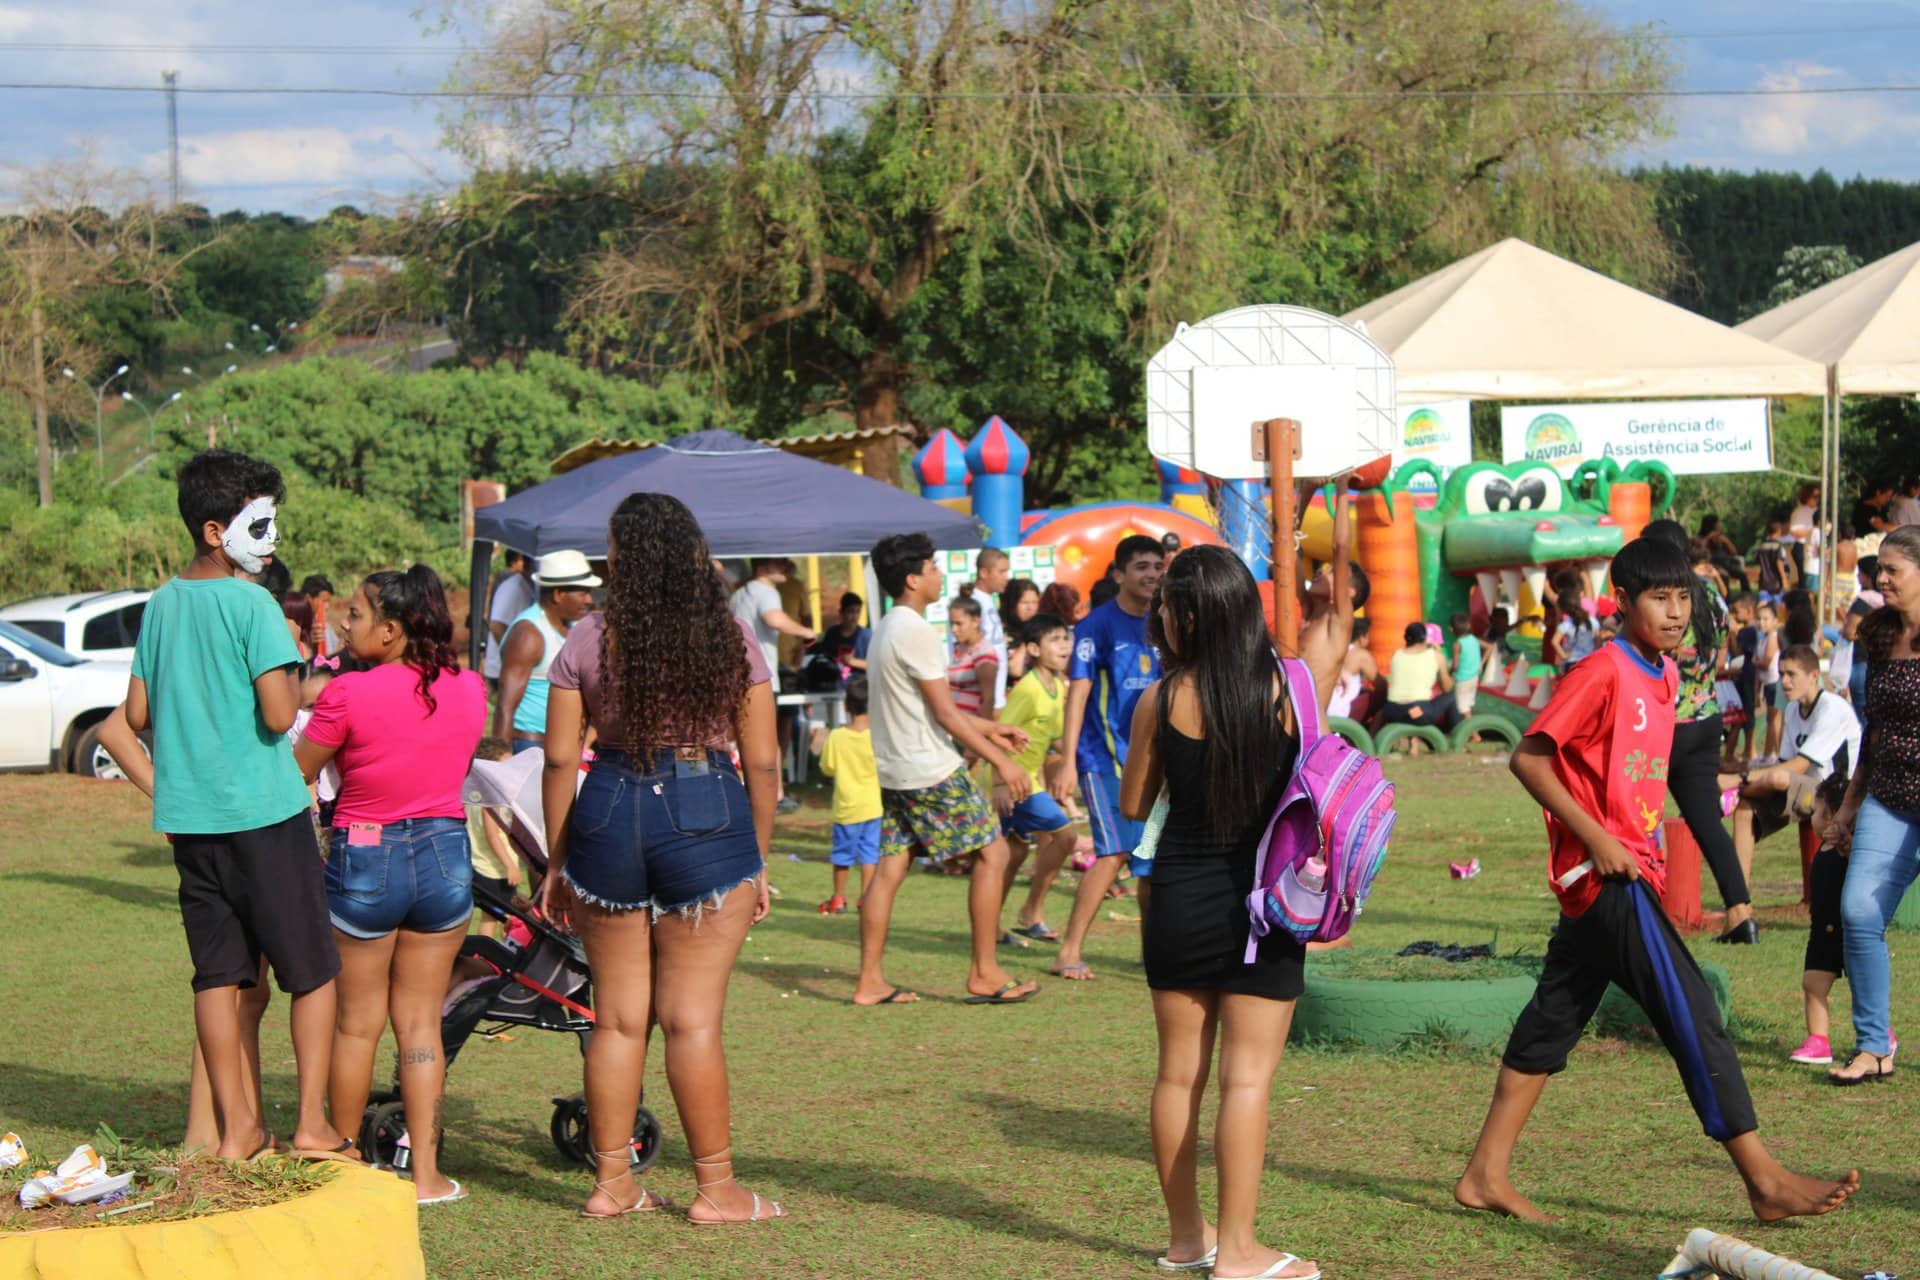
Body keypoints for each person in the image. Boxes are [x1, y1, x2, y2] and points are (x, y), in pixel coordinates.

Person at [1454, 535, 1858, 1225]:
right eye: (1659, 598)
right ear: (1623, 601)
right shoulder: (1602, 671)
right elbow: (1529, 759)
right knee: (1693, 1012)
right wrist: (1597, 837)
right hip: (1606, 875)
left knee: (1553, 1019)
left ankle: (1484, 1174)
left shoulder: (1666, 676)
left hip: (1620, 871)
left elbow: (1637, 769)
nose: (1675, 612)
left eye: (1683, 599)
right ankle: (1764, 1181)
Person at [538, 492, 782, 1221]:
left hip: (608, 807)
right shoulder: (730, 638)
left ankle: (613, 1183)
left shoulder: (587, 638)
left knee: (616, 1020)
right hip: (708, 809)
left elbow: (560, 760)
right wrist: (757, 858)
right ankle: (717, 1190)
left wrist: (556, 862)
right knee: (692, 1021)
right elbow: (763, 763)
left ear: (623, 558)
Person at [1119, 537, 1354, 1280]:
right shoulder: (1293, 687)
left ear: (1186, 618)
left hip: (1179, 901)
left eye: (1167, 608)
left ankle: (1188, 1239)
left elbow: (1134, 805)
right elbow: (1320, 779)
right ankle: (1242, 1251)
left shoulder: (1160, 699)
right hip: (1269, 906)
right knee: (1246, 1081)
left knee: (1176, 1077)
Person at [123, 448, 346, 1162]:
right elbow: (280, 716)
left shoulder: (161, 604)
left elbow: (136, 712)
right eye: (261, 524)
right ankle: (311, 1124)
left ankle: (237, 1128)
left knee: (218, 975)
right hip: (266, 816)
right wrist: (289, 669)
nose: (272, 539)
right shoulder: (255, 605)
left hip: (191, 823)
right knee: (313, 972)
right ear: (216, 531)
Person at [293, 566, 486, 1203]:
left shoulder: (347, 693)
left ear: (392, 629)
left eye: (356, 614)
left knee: (357, 1025)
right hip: (445, 855)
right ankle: (426, 1173)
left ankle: (346, 1160)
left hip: (366, 854)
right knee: (421, 1024)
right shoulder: (470, 688)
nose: (344, 624)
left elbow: (300, 771)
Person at [855, 531, 1038, 1007]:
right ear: (913, 579)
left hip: (896, 769)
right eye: (933, 567)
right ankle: (984, 972)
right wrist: (1002, 761)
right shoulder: (915, 630)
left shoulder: (886, 628)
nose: (940, 575)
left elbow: (931, 708)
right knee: (993, 853)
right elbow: (944, 714)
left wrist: (993, 730)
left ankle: (870, 981)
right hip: (928, 769)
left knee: (889, 869)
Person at [1826, 525, 1920, 1084]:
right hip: (1890, 798)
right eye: (1878, 569)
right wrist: (1849, 807)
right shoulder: (1879, 635)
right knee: (1859, 912)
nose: (1880, 579)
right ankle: (1873, 1046)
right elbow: (1874, 730)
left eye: (1892, 570)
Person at [1050, 535, 1167, 982]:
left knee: (1151, 859)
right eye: (1141, 566)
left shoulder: (1165, 622)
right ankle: (1068, 951)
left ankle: (1152, 953)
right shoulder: (1095, 627)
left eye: (1157, 566)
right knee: (1114, 852)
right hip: (1105, 760)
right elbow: (1077, 695)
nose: (1151, 574)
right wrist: (1067, 761)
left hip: (1156, 759)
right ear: (1119, 574)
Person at [1640, 521, 1754, 944]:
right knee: (1707, 823)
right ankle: (1741, 915)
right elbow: (1721, 655)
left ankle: (1637, 913)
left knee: (1634, 816)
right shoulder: (1708, 594)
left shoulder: (1659, 599)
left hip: (1664, 724)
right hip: (1707, 719)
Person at [1719, 645, 1859, 913]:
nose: (1784, 681)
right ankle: (1740, 902)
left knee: (1779, 778)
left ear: (1814, 676)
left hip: (1836, 794)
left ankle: (1733, 789)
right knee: (1746, 809)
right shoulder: (1793, 709)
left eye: (1791, 674)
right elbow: (1784, 763)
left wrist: (1738, 778)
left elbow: (1796, 766)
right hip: (1803, 790)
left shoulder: (1832, 708)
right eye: (1782, 673)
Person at [996, 614, 1079, 946]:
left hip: (1027, 782)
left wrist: (1078, 760)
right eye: (1054, 640)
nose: (1064, 646)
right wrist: (999, 784)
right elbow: (998, 735)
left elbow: (1056, 739)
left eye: (1065, 638)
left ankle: (1019, 917)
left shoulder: (1058, 687)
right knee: (1066, 837)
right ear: (1033, 649)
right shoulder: (1028, 689)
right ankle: (1027, 913)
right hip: (1011, 784)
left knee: (1014, 854)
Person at [492, 550, 599, 755]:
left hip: (564, 744)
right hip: (530, 747)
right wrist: (501, 762)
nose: (588, 600)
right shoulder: (528, 635)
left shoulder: (572, 627)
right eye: (583, 593)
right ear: (559, 595)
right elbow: (505, 707)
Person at [1793, 772, 1864, 1066]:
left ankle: (1878, 1035)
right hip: (1822, 931)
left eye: (1817, 810)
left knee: (1863, 985)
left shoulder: (1849, 849)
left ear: (1834, 815)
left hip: (1851, 931)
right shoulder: (1822, 847)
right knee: (1813, 983)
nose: (1812, 817)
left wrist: (1848, 847)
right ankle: (1818, 1040)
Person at [817, 676, 881, 917]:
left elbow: (827, 768)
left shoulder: (837, 736)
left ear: (846, 705)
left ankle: (838, 897)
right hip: (874, 806)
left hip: (847, 807)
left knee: (842, 854)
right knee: (870, 854)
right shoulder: (877, 736)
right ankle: (867, 898)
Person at [466, 737, 523, 938]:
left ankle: (482, 954)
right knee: (507, 919)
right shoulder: (491, 799)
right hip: (496, 870)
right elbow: (493, 836)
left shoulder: (472, 793)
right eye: (505, 765)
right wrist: (510, 865)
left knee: (489, 918)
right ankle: (495, 955)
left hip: (480, 865)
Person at [1383, 621, 1455, 730]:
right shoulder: (1436, 656)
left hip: (1393, 712)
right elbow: (1447, 688)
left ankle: (1413, 739)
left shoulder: (1396, 654)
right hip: (1419, 711)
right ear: (1425, 638)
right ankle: (1456, 735)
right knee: (1453, 696)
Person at [966, 547, 1013, 709]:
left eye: (1007, 571)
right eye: (1001, 572)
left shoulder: (988, 600)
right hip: (982, 703)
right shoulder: (973, 604)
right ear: (983, 573)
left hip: (996, 699)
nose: (1006, 577)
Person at [483, 550, 534, 688]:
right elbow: (496, 626)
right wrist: (515, 660)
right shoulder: (514, 588)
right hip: (504, 671)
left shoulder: (528, 586)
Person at [945, 597, 999, 721]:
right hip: (956, 724)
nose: (953, 629)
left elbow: (988, 700)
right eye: (951, 624)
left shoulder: (984, 653)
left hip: (971, 725)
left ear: (975, 622)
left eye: (959, 624)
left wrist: (983, 730)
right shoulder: (959, 648)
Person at [808, 592, 871, 684]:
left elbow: (875, 665)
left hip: (858, 686)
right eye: (851, 611)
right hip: (834, 685)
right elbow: (824, 658)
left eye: (857, 611)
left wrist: (852, 661)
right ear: (841, 612)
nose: (854, 616)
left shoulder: (866, 636)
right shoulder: (832, 633)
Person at [1755, 602, 1784, 760]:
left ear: (1775, 621)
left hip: (1775, 682)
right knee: (1770, 720)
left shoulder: (1773, 638)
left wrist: (1754, 662)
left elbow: (1765, 663)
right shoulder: (1763, 639)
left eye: (1766, 619)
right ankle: (1768, 754)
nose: (1762, 622)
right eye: (1759, 619)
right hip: (1768, 683)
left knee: (1775, 720)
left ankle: (1777, 754)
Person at [1000, 579, 1041, 681]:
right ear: (1012, 604)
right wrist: (1029, 637)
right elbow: (1015, 670)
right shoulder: (1000, 633)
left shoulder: (1042, 629)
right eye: (1024, 602)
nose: (1030, 608)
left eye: (1034, 602)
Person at [1755, 518, 1795, 605]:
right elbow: (1779, 562)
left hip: (1764, 581)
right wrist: (1784, 579)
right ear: (1778, 531)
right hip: (1776, 582)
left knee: (1762, 603)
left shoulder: (1762, 545)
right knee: (1779, 604)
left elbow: (1758, 560)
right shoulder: (1778, 546)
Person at [1449, 613, 1481, 718]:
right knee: (1467, 705)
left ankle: (1474, 729)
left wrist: (1449, 673)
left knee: (1464, 709)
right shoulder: (1473, 639)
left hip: (1462, 679)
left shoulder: (1457, 644)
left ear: (1451, 629)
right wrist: (1481, 663)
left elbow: (1455, 666)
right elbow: (1490, 647)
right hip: (1474, 677)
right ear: (1468, 626)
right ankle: (1468, 725)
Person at [300, 574, 336, 656]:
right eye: (324, 601)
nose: (327, 606)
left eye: (328, 601)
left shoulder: (326, 627)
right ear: (308, 598)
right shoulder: (298, 626)